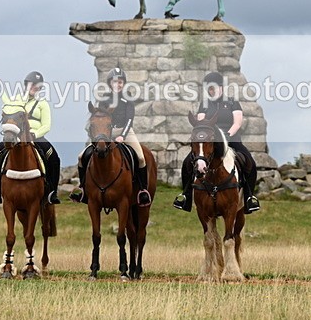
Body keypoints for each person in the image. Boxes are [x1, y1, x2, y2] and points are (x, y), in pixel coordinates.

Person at [173, 71, 261, 214]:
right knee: (187, 163)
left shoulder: (232, 102)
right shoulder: (205, 105)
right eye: (208, 88)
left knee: (249, 162)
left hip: (231, 140)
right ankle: (186, 196)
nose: (211, 90)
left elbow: (237, 123)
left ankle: (249, 197)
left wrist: (226, 135)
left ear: (221, 87)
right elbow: (201, 122)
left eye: (213, 87)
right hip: (211, 142)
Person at [70, 68, 152, 207]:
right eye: (115, 81)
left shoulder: (128, 99)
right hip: (106, 133)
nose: (117, 84)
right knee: (80, 157)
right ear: (110, 83)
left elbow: (129, 120)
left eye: (120, 82)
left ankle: (142, 190)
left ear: (123, 83)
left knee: (141, 158)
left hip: (125, 132)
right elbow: (100, 119)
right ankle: (83, 188)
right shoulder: (104, 99)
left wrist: (122, 136)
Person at [0, 71, 61, 205]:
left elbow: (46, 125)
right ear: (26, 85)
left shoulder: (42, 104)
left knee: (54, 158)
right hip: (15, 136)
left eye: (37, 86)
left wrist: (34, 134)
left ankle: (52, 192)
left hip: (36, 137)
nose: (34, 88)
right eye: (32, 84)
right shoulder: (16, 100)